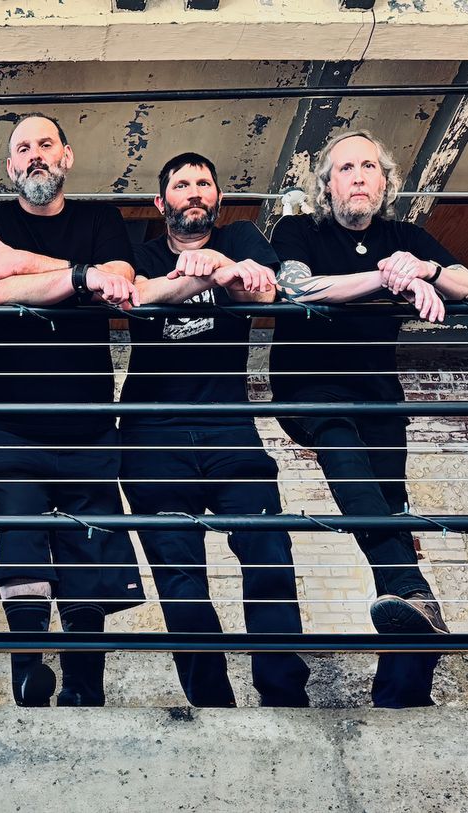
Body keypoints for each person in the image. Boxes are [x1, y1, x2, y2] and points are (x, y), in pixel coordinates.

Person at [272, 129, 468, 707]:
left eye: (369, 167)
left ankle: (405, 681)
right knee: (349, 465)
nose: (358, 176)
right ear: (326, 185)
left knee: (390, 516)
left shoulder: (404, 237)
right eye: (345, 168)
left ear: (385, 183)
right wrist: (388, 278)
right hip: (310, 389)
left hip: (380, 397)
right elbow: (298, 287)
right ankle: (411, 592)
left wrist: (426, 270)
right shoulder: (299, 230)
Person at [0, 114, 145, 707]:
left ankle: (85, 690)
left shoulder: (100, 219)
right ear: (9, 165)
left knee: (89, 558)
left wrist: (27, 262)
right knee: (21, 547)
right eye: (23, 148)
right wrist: (79, 278)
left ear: (66, 155)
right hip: (10, 426)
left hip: (91, 427)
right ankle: (29, 677)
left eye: (46, 144)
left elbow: (119, 280)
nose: (35, 154)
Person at [119, 152, 310, 707]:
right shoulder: (140, 253)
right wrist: (208, 273)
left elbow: (264, 293)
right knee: (180, 577)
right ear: (162, 202)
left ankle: (284, 697)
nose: (195, 192)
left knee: (268, 551)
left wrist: (222, 264)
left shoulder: (242, 237)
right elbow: (136, 296)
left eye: (204, 182)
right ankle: (212, 706)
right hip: (152, 436)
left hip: (230, 428)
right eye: (182, 185)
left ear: (218, 198)